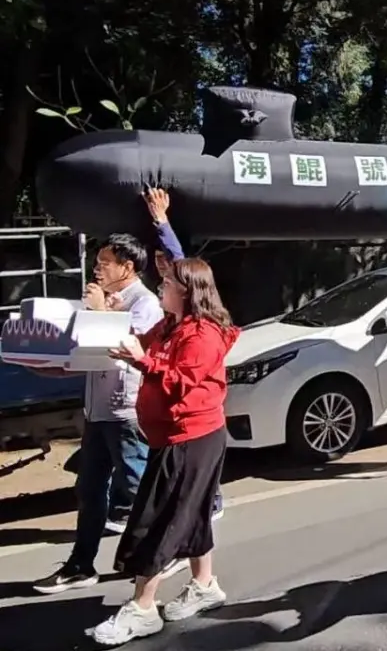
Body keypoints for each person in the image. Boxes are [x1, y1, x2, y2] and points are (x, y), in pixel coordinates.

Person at [89, 258, 239, 645]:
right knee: (193, 513)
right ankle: (204, 585)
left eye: (167, 283)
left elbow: (180, 381)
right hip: (173, 436)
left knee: (158, 520)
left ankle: (142, 608)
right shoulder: (172, 324)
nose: (161, 288)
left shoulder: (203, 333)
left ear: (187, 292)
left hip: (191, 437)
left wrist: (140, 362)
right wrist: (113, 324)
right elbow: (143, 341)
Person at [32, 234, 163, 595]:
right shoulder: (104, 299)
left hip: (125, 410)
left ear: (127, 267)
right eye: (97, 261)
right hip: (97, 410)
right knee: (90, 490)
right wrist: (53, 365)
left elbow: (126, 348)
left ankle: (163, 553)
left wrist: (101, 312)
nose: (97, 268)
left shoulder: (145, 303)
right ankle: (80, 565)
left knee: (137, 488)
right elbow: (87, 351)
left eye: (105, 262)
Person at [144, 186, 224, 520]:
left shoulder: (199, 323)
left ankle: (209, 501)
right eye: (159, 264)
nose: (163, 268)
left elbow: (179, 380)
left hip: (191, 426)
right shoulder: (169, 314)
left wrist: (161, 220)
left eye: (166, 264)